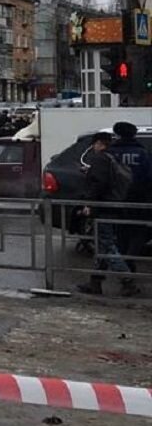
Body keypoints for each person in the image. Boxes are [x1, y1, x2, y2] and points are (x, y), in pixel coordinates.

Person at [77, 132, 137, 296]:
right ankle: (95, 282)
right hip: (112, 206)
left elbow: (99, 183)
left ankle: (128, 281)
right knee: (103, 246)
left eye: (94, 144)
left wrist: (89, 202)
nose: (93, 147)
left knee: (107, 246)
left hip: (103, 207)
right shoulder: (112, 158)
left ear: (99, 144)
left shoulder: (100, 159)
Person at [110, 121, 152, 277]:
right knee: (139, 232)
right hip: (139, 199)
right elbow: (149, 176)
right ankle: (128, 262)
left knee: (120, 233)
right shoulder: (142, 153)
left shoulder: (110, 153)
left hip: (115, 200)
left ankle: (123, 264)